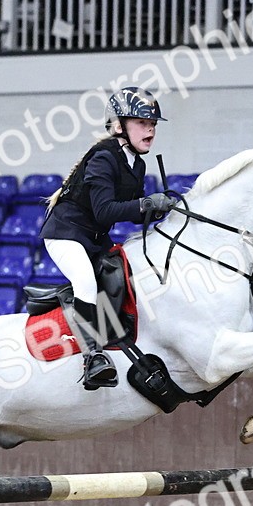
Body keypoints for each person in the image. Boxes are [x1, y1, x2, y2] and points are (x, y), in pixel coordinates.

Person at [40, 86, 180, 390]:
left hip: (94, 236)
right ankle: (92, 358)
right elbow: (105, 211)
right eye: (143, 123)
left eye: (153, 124)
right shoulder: (104, 156)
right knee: (87, 282)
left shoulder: (137, 164)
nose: (151, 130)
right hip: (66, 234)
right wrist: (146, 204)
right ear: (119, 126)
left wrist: (160, 209)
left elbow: (128, 212)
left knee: (128, 275)